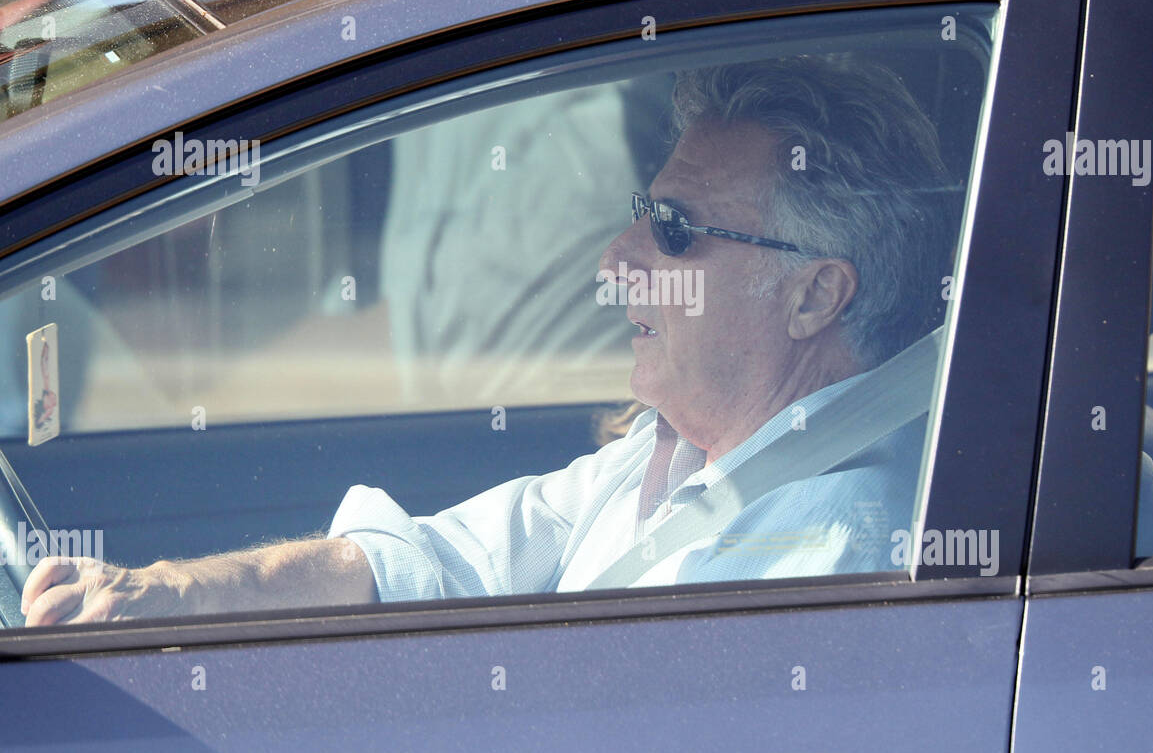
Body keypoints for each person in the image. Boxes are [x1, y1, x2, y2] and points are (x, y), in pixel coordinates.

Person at [21, 53, 960, 625]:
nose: (619, 255)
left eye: (675, 230)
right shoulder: (685, 455)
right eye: (643, 212)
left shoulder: (827, 549)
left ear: (812, 296)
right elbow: (435, 563)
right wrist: (168, 595)